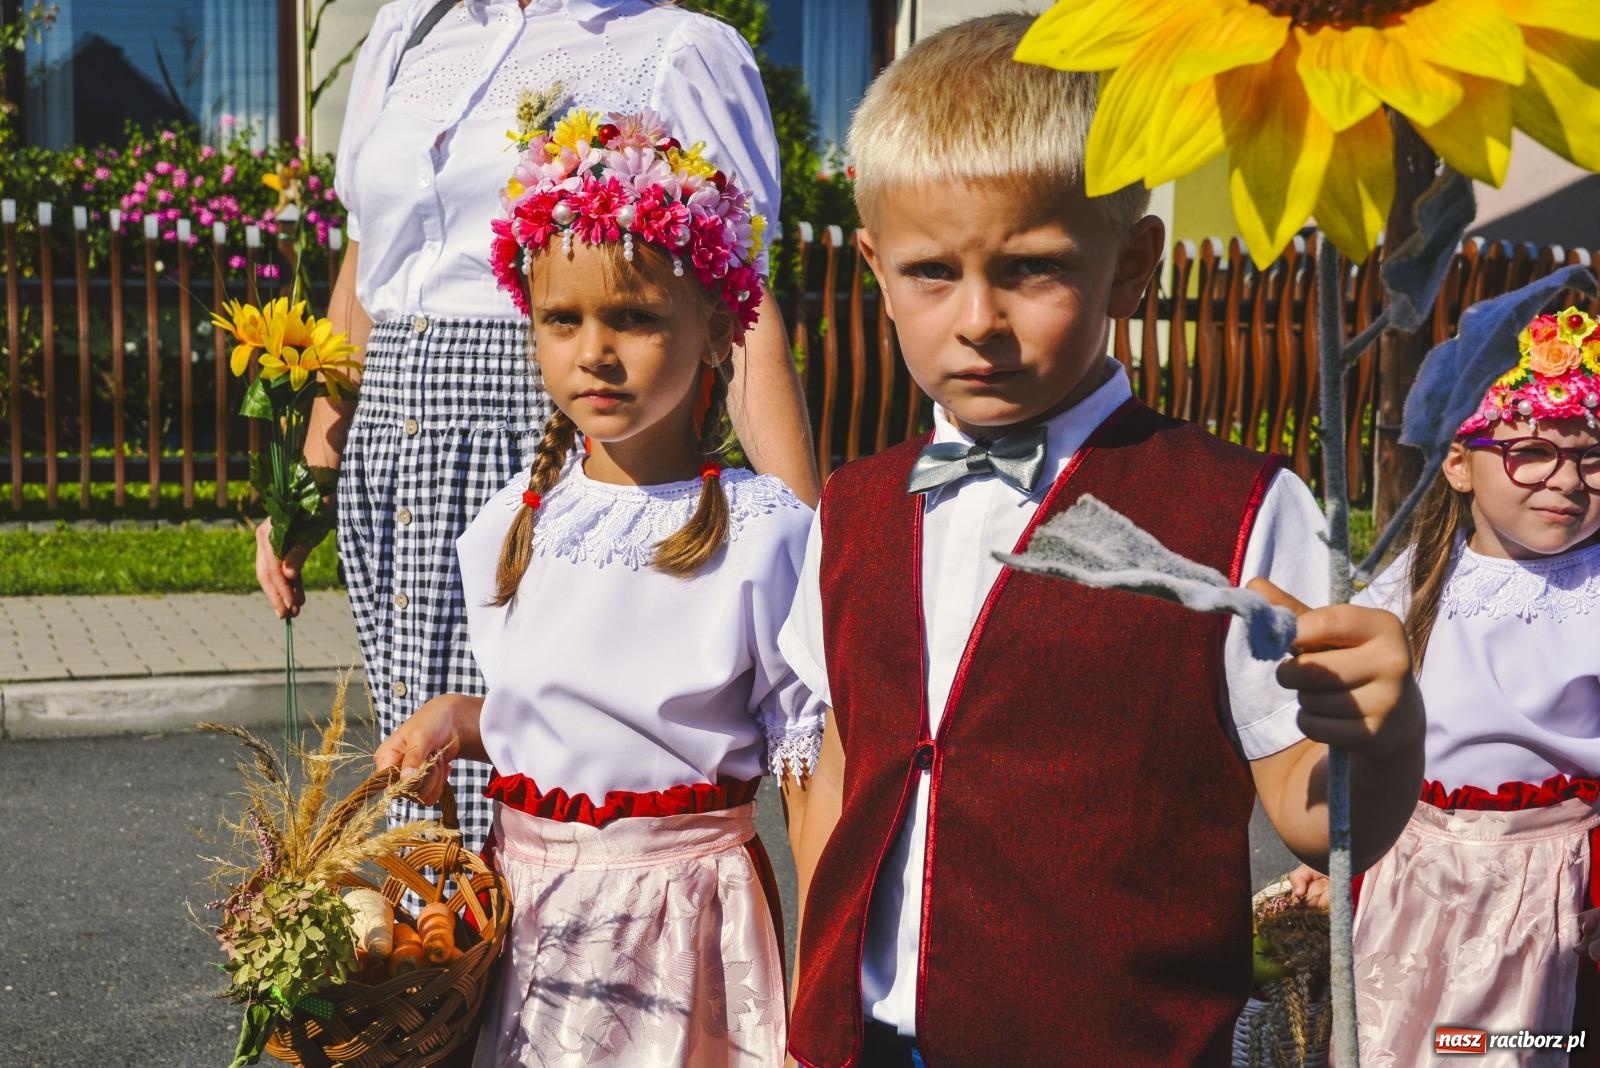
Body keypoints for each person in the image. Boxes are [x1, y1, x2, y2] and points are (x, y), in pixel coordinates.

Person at [776, 16, 1427, 1066]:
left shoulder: (1242, 508)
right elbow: (848, 770)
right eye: (931, 272)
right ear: (873, 267)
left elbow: (1315, 817)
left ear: (1131, 268)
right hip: (867, 1042)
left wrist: (1383, 734)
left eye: (1032, 270)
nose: (978, 317)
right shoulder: (851, 508)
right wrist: (812, 1012)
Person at [253, 0, 818, 855]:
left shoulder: (676, 47)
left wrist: (811, 556)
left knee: (537, 782)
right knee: (422, 784)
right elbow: (362, 279)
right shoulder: (410, 30)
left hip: (540, 442)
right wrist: (308, 485)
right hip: (393, 459)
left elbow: (741, 298)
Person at [375, 110, 823, 1066]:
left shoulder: (763, 531)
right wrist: (463, 720)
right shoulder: (511, 522)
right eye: (563, 319)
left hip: (682, 932)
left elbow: (808, 778)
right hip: (529, 921)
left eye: (636, 317)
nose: (595, 351)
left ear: (713, 327)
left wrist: (824, 993)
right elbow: (553, 714)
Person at [1325, 307, 1600, 1064]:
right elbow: (1356, 720)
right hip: (1408, 870)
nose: (1567, 482)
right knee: (1389, 1037)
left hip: (1545, 889)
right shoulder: (1414, 576)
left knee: (1501, 1047)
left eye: (1594, 458)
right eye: (1533, 451)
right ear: (1458, 462)